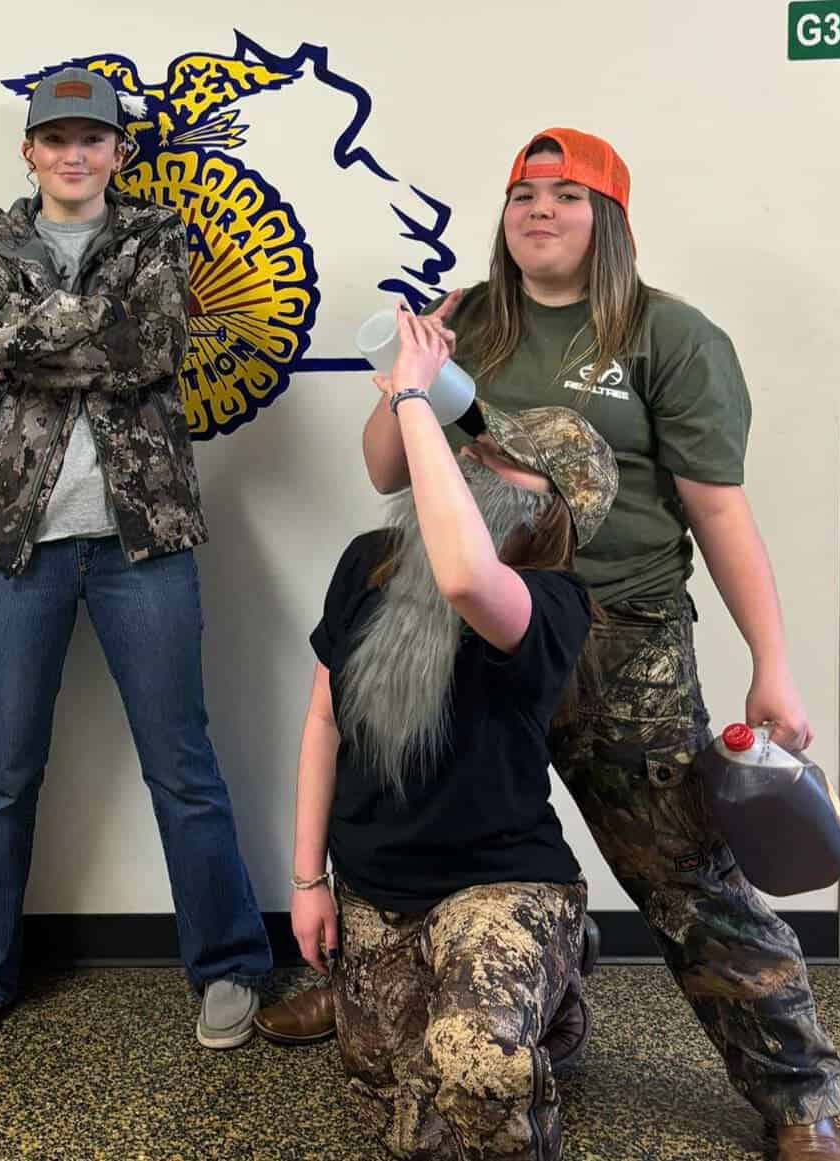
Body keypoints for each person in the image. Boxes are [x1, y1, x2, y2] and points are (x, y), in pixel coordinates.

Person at [357, 128, 840, 1161]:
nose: (540, 209)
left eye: (567, 195)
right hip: (476, 629)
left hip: (620, 638)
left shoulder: (670, 336)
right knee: (435, 839)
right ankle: (424, 1002)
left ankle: (798, 1097)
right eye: (523, 194)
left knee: (684, 877)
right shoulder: (469, 322)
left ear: (608, 218)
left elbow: (718, 511)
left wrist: (772, 662)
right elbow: (387, 473)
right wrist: (407, 374)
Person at [0, 67, 273, 1053]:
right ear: (29, 152)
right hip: (15, 546)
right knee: (4, 772)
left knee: (182, 763)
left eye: (91, 139)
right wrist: (88, 320)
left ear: (118, 152)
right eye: (56, 139)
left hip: (143, 542)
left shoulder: (159, 234)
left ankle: (227, 961)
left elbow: (152, 348)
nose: (73, 154)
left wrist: (37, 330)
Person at [293, 306, 618, 1159]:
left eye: (508, 460)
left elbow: (466, 574)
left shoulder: (550, 604)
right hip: (377, 884)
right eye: (478, 444)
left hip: (498, 882)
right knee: (401, 1105)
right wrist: (307, 878)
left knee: (474, 1064)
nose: (475, 453)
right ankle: (541, 1008)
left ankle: (540, 975)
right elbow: (323, 719)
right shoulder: (367, 561)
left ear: (552, 511)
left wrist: (411, 398)